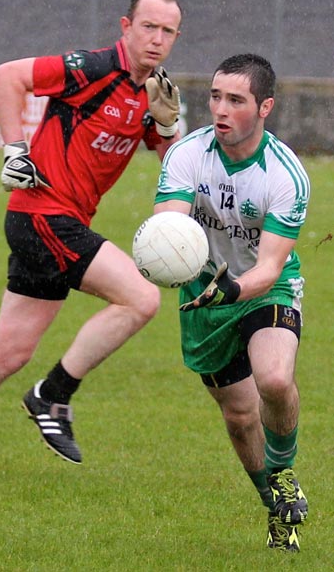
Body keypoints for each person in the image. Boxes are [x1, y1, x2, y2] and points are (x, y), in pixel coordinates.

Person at [0, 0, 182, 474]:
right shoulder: (93, 68)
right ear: (125, 27)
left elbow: (171, 166)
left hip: (55, 223)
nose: (156, 39)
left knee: (8, 353)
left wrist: (171, 126)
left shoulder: (153, 90)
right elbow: (8, 76)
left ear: (177, 36)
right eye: (148, 26)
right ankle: (53, 396)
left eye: (167, 31)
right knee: (141, 298)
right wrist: (14, 149)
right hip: (43, 215)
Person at [154, 54, 310, 552]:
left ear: (265, 107)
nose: (220, 108)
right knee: (241, 419)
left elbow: (267, 268)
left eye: (235, 100)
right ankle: (276, 510)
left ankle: (284, 473)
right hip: (204, 300)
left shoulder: (285, 176)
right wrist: (164, 249)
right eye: (215, 96)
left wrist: (235, 290)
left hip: (265, 289)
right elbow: (170, 226)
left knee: (275, 379)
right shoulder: (187, 153)